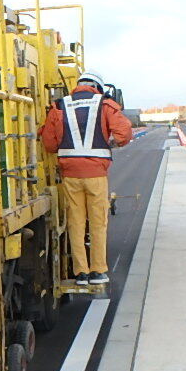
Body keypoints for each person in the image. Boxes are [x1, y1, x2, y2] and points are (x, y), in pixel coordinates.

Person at [39, 70, 132, 285]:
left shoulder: (60, 106)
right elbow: (124, 132)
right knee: (98, 222)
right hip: (96, 174)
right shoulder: (105, 105)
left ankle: (80, 272)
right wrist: (112, 143)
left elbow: (50, 144)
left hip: (70, 175)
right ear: (98, 87)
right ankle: (98, 271)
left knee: (75, 222)